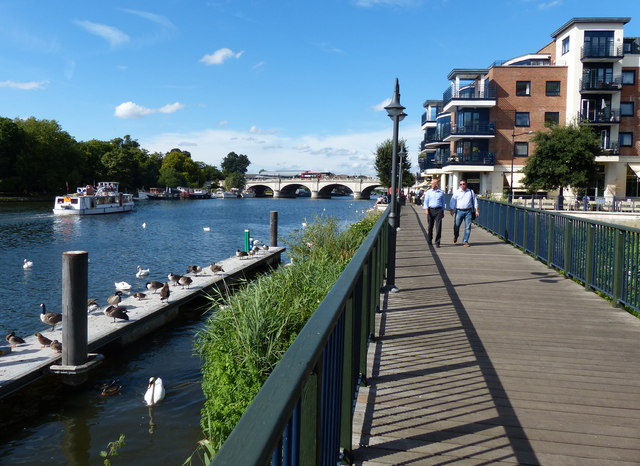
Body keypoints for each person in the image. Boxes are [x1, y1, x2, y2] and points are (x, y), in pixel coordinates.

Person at [449, 180, 479, 247]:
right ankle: (456, 236)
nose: (462, 185)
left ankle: (465, 241)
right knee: (456, 226)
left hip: (468, 211)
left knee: (468, 227)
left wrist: (476, 210)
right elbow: (453, 201)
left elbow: (475, 201)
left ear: (466, 184)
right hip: (459, 211)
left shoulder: (470, 192)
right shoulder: (457, 192)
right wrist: (451, 209)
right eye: (461, 184)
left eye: (463, 184)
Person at [422, 179, 445, 247]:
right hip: (430, 210)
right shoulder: (429, 192)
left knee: (438, 227)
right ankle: (429, 240)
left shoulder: (441, 192)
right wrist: (426, 209)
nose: (431, 185)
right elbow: (426, 201)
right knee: (430, 226)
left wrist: (443, 211)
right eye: (431, 183)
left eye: (432, 183)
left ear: (436, 184)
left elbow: (443, 202)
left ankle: (437, 242)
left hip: (439, 210)